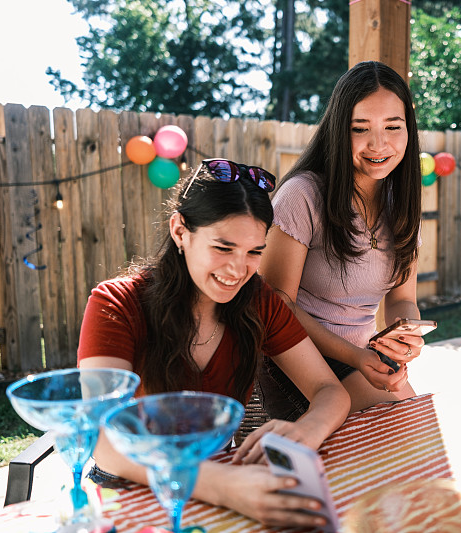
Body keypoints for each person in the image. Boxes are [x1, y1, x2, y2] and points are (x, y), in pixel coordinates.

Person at [77, 159, 350, 529]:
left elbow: (329, 390)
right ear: (180, 231)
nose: (239, 269)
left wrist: (306, 430)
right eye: (223, 247)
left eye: (254, 252)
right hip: (132, 486)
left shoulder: (259, 300)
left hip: (227, 482)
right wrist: (222, 486)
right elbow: (101, 438)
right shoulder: (117, 303)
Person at [258, 61, 425, 419]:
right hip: (294, 352)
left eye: (392, 127)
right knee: (393, 425)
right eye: (359, 128)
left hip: (362, 357)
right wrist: (357, 357)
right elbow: (276, 304)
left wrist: (405, 338)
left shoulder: (403, 205)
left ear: (408, 130)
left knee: (416, 425)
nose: (378, 144)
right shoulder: (302, 194)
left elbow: (402, 299)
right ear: (338, 130)